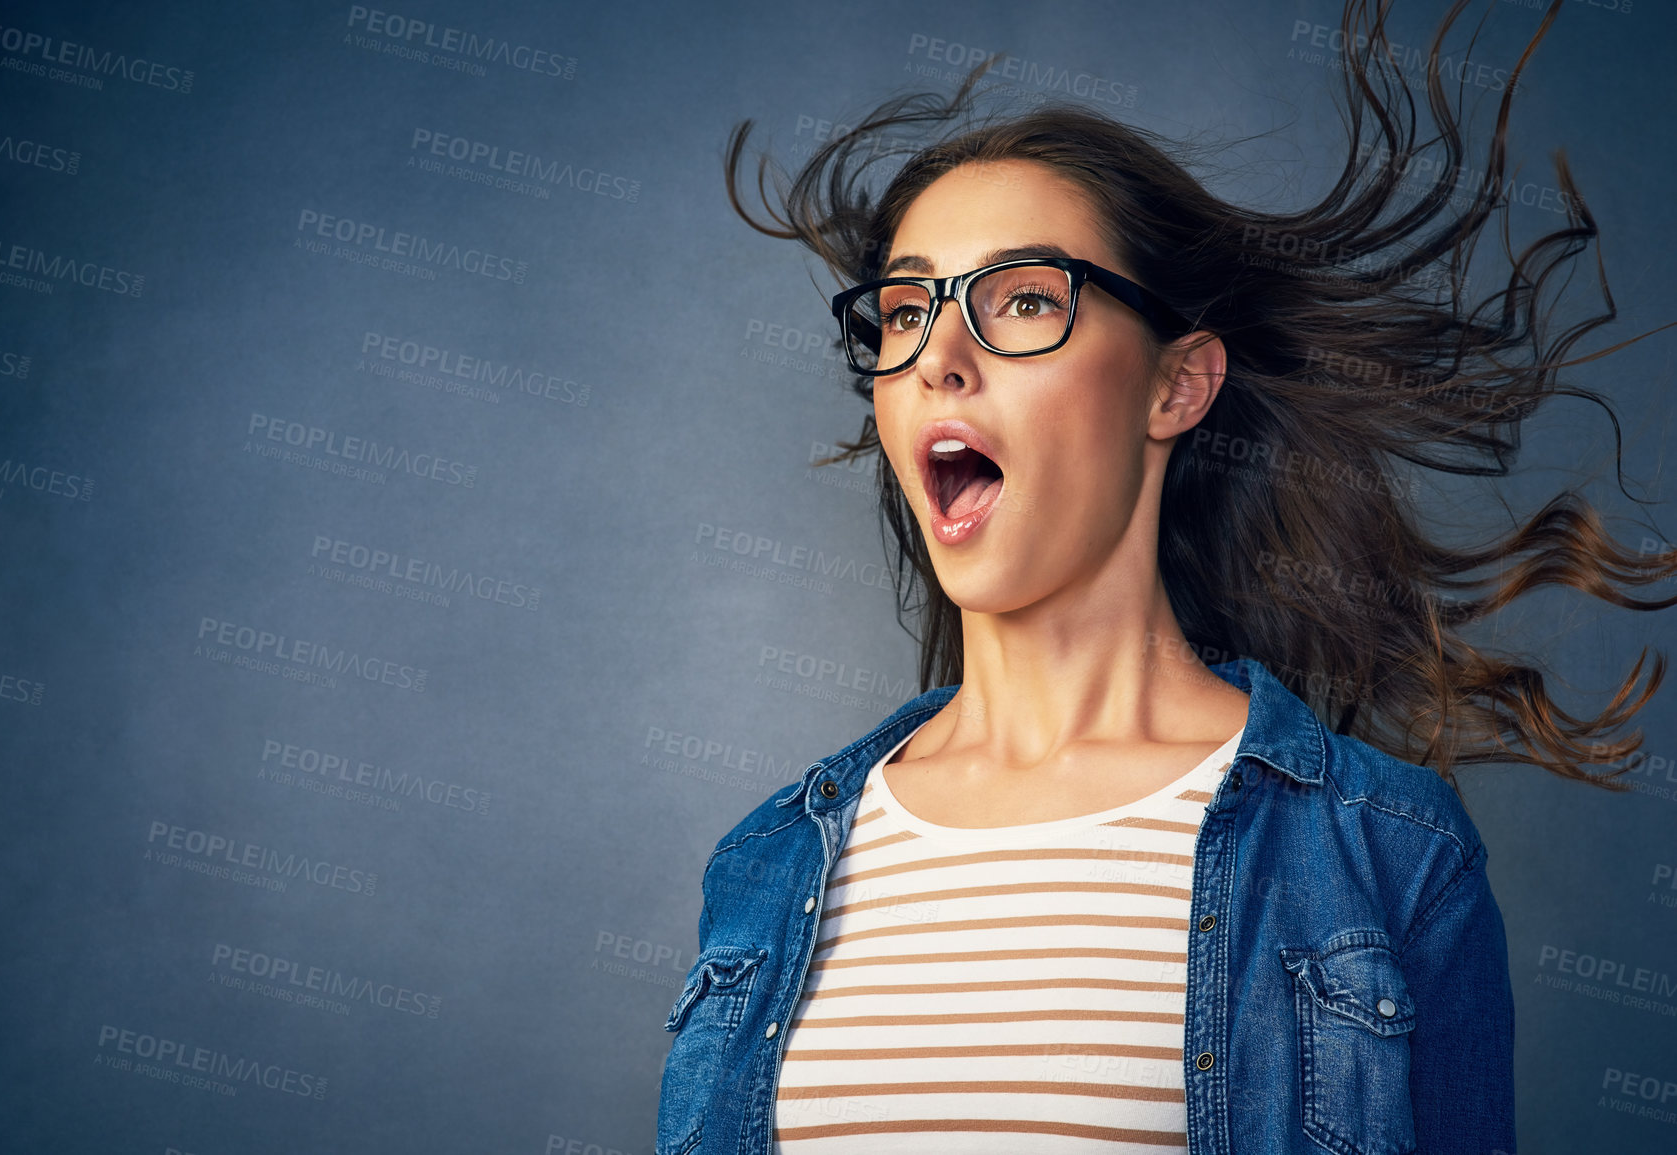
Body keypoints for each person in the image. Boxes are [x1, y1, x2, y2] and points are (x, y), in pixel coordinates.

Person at [657, 1, 1677, 1151]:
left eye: (1025, 301)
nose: (938, 356)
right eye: (903, 312)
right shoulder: (766, 866)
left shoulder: (1385, 856)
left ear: (1176, 388)